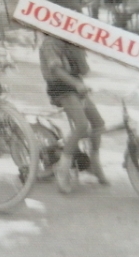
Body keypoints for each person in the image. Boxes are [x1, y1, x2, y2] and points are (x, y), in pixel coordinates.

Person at [39, 37, 107, 191]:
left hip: (76, 86)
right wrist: (76, 84)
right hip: (60, 88)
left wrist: (79, 51)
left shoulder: (71, 41)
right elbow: (55, 69)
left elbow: (84, 70)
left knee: (98, 124)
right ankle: (63, 168)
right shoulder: (50, 42)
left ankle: (94, 163)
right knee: (82, 125)